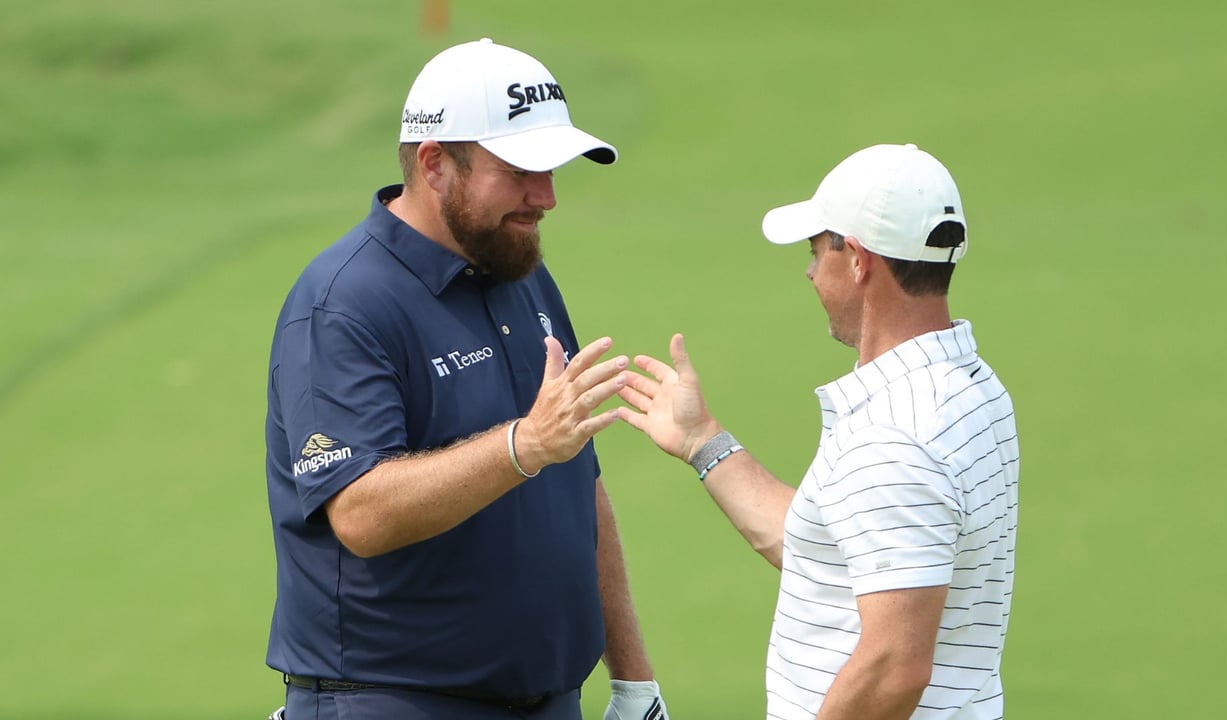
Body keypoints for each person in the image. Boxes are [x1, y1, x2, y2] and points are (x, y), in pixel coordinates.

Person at [263, 38, 669, 720]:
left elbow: (579, 484)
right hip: (392, 703)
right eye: (521, 172)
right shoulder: (344, 301)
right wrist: (523, 446)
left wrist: (633, 680)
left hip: (547, 701)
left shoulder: (521, 271)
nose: (547, 197)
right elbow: (360, 511)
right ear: (435, 164)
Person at [618, 143, 1020, 719]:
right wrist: (702, 440)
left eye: (816, 251)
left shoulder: (894, 438)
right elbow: (836, 550)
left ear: (857, 260)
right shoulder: (970, 386)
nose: (809, 271)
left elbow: (894, 666)